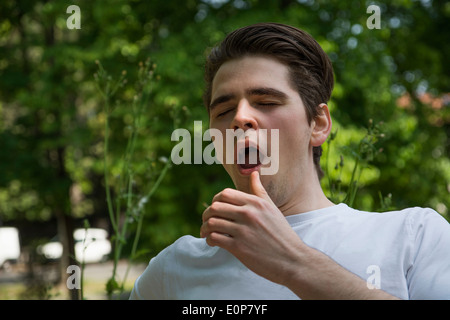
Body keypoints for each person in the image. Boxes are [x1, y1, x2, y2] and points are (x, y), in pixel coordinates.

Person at [130, 22, 450, 300]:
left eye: (266, 101)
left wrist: (292, 263)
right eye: (223, 111)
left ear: (318, 124)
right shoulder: (173, 269)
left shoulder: (414, 236)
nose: (240, 118)